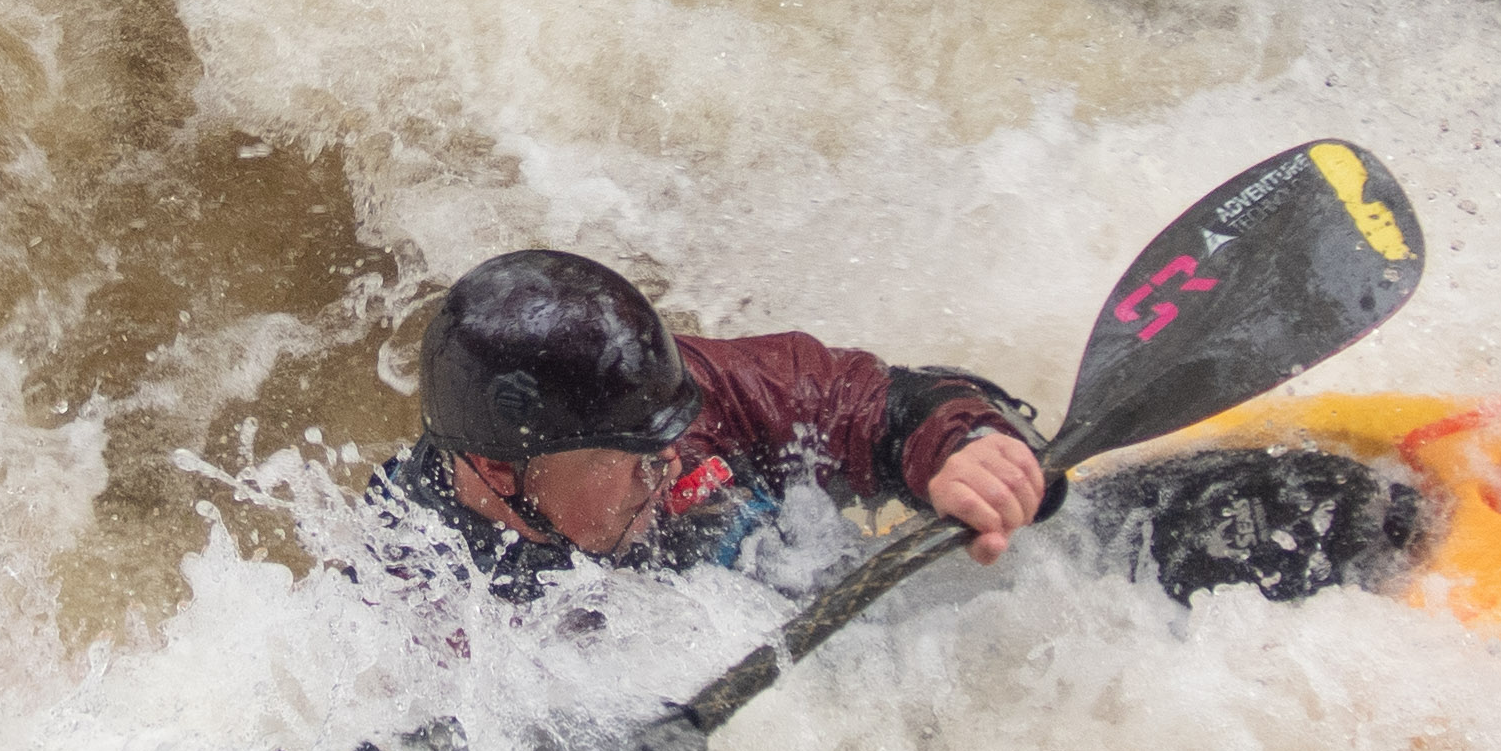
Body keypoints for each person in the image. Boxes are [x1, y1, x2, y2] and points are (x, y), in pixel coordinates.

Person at [364, 248, 1058, 602]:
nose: (669, 462)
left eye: (667, 438)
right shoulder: (418, 584)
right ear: (498, 471)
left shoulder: (664, 395)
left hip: (816, 575)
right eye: (636, 455)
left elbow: (862, 399)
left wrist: (958, 445)